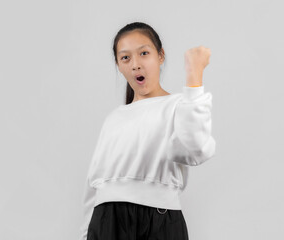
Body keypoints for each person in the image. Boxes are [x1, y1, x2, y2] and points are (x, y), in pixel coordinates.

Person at [79, 21, 216, 240]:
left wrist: (194, 78)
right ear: (118, 65)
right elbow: (94, 185)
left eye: (144, 53)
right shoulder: (114, 119)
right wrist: (85, 234)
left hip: (159, 221)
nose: (135, 64)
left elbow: (194, 150)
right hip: (106, 222)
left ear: (160, 56)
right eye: (125, 58)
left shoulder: (181, 105)